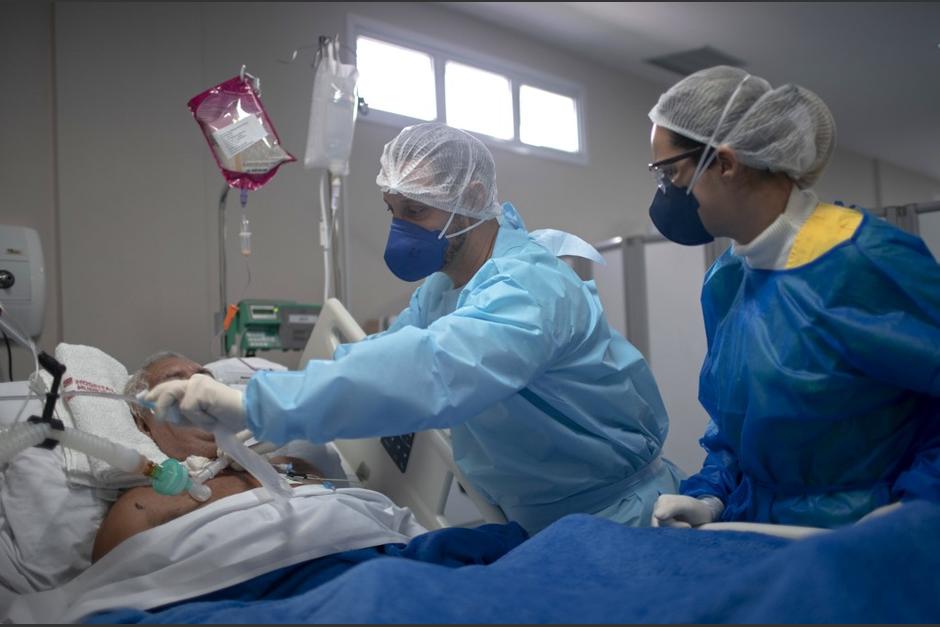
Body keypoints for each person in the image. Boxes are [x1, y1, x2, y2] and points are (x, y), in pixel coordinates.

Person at [146, 122, 683, 534]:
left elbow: (429, 372)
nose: (400, 228)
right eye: (392, 210)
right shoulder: (443, 289)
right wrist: (262, 397)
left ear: (471, 197)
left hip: (615, 516)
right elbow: (386, 355)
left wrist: (264, 403)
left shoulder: (529, 290)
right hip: (537, 521)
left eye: (415, 211)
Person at [644, 66, 940, 529]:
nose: (665, 194)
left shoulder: (864, 261)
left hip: (864, 536)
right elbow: (735, 423)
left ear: (724, 163)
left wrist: (913, 510)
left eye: (670, 173)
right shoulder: (728, 279)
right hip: (755, 527)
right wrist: (711, 496)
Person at [92, 352, 323, 561]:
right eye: (175, 380)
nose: (197, 386)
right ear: (143, 422)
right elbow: (112, 594)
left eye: (205, 378)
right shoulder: (142, 505)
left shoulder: (291, 467)